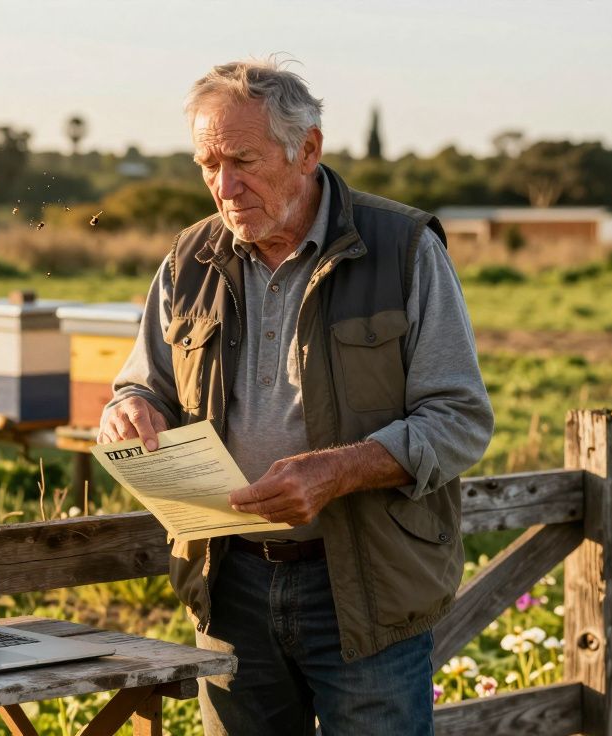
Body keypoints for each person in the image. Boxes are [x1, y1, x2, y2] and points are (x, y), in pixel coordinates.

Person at [98, 58, 494, 735]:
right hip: (231, 589)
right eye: (207, 164)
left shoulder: (401, 248)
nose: (225, 186)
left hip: (366, 590)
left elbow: (458, 420)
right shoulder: (188, 258)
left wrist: (337, 471)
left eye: (243, 160)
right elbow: (141, 381)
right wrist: (128, 410)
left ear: (308, 149)